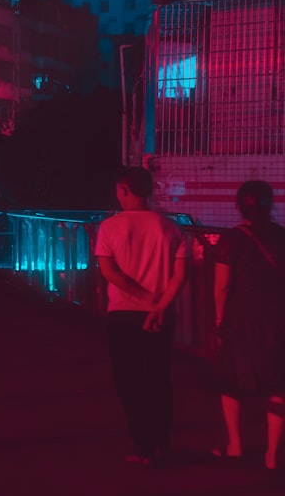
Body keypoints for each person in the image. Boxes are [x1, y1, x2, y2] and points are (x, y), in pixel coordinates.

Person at [94, 166, 188, 466]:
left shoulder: (110, 227)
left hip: (123, 313)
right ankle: (162, 443)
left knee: (129, 379)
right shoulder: (171, 228)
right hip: (162, 315)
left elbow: (110, 273)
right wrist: (159, 306)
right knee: (159, 378)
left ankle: (142, 443)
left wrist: (145, 299)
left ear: (123, 190)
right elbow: (179, 276)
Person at [212, 180, 285, 471]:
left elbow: (222, 287)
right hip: (278, 321)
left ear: (240, 205)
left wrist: (219, 320)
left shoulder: (232, 240)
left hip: (240, 320)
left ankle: (235, 445)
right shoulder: (281, 236)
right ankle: (271, 455)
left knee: (231, 382)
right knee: (278, 386)